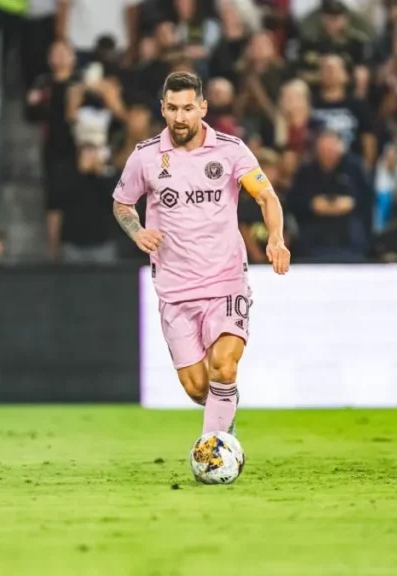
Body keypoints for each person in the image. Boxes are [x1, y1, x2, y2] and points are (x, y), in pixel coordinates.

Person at [112, 72, 289, 437]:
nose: (180, 117)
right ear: (163, 109)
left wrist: (276, 238)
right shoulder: (145, 157)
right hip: (175, 289)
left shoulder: (230, 150)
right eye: (173, 108)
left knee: (224, 366)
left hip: (226, 282)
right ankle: (225, 415)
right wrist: (137, 231)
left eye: (188, 108)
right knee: (197, 387)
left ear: (203, 108)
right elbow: (122, 203)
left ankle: (216, 449)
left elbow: (266, 195)